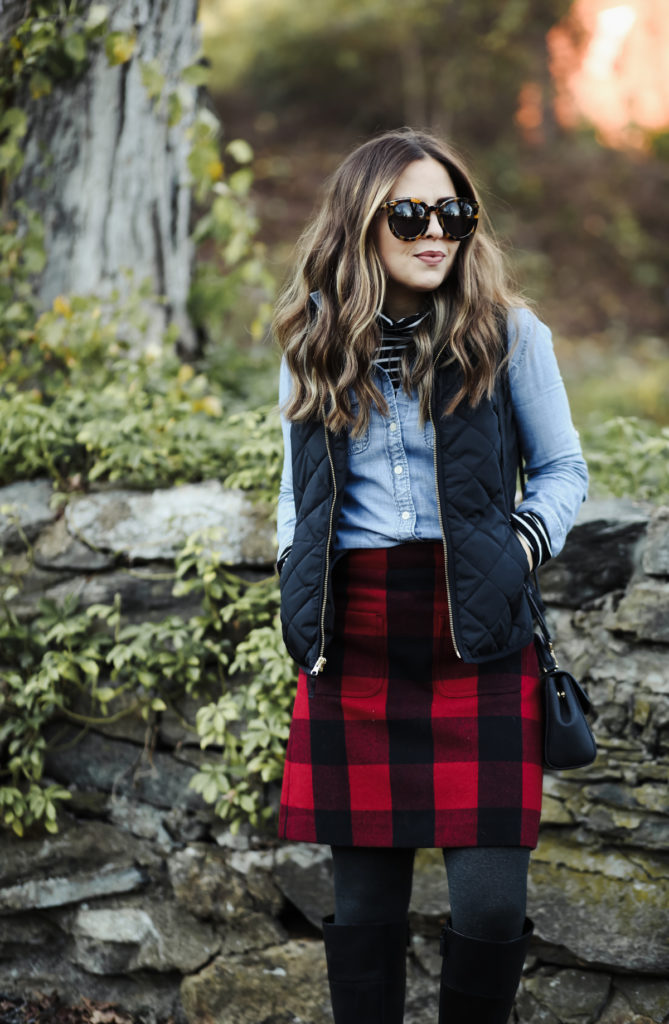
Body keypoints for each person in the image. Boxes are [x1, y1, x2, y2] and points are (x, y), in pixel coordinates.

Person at [273, 128, 588, 1024]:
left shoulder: (508, 334)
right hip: (356, 634)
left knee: (489, 905)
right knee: (366, 909)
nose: (434, 231)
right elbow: (292, 491)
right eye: (409, 212)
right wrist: (294, 578)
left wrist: (516, 549)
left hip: (478, 633)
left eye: (453, 212)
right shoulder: (312, 339)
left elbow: (565, 470)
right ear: (361, 224)